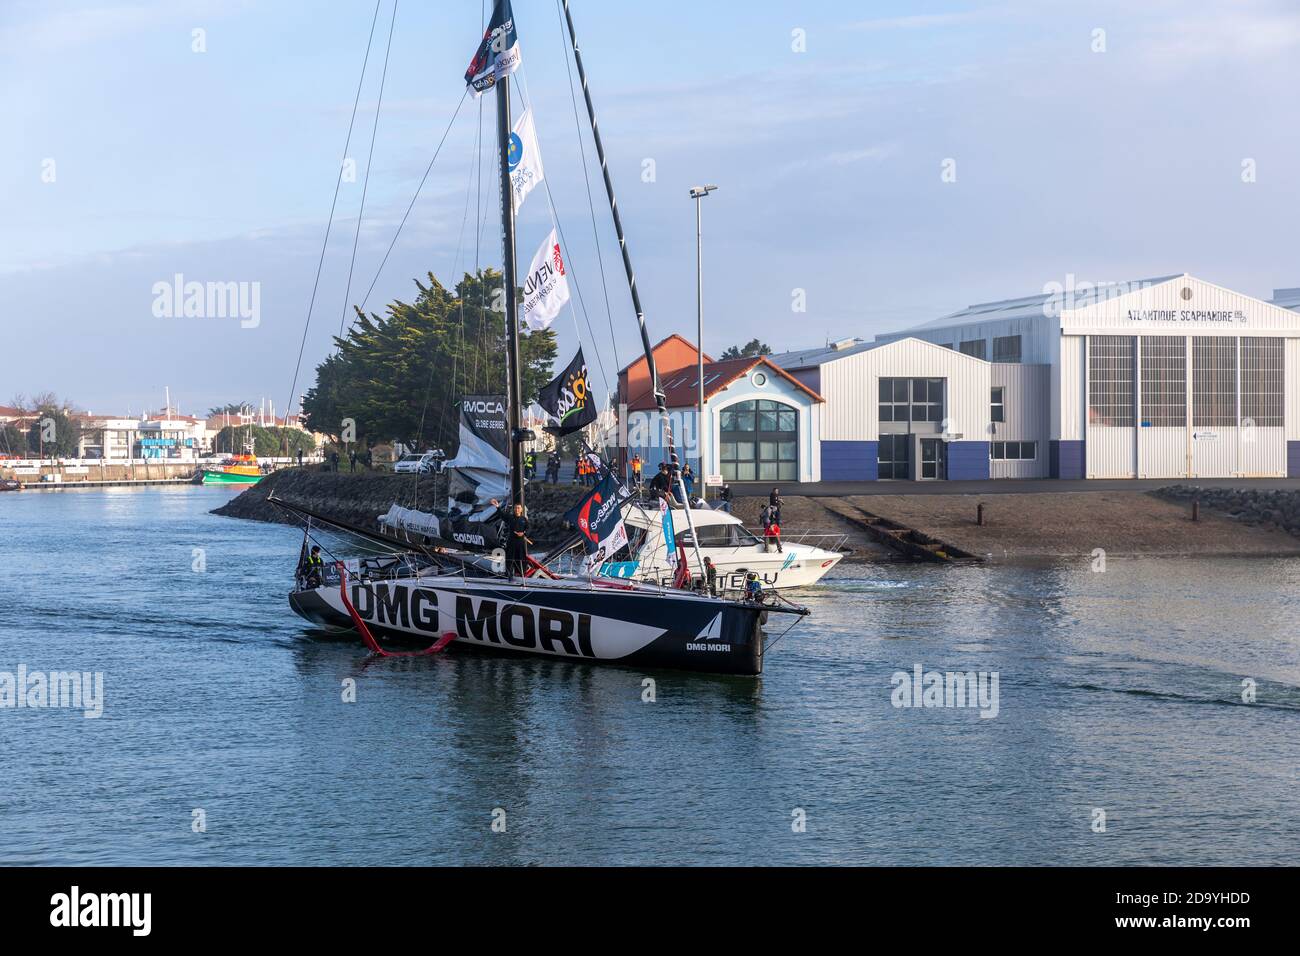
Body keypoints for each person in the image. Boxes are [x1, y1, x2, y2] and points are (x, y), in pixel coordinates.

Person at [505, 503, 530, 578]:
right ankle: (508, 574)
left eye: (518, 508)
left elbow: (528, 528)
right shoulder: (510, 518)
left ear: (521, 510)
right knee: (510, 558)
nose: (517, 509)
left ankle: (521, 573)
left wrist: (523, 533)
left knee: (522, 558)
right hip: (511, 542)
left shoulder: (524, 519)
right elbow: (502, 516)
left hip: (520, 542)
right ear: (514, 509)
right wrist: (497, 507)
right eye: (515, 508)